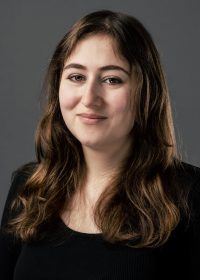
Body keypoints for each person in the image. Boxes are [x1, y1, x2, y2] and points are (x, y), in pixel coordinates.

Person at [0, 9, 200, 280]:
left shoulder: (189, 195)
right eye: (76, 77)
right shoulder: (28, 186)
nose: (89, 97)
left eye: (111, 79)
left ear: (146, 93)